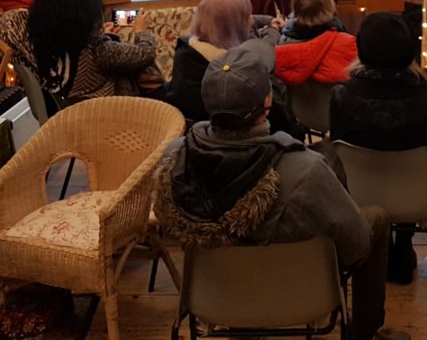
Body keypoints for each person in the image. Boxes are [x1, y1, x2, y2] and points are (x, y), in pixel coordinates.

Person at [154, 47, 407, 340]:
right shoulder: (305, 169)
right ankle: (363, 333)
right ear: (268, 100)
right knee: (375, 219)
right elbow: (355, 246)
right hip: (297, 293)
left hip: (213, 297)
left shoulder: (175, 160)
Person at [329, 11, 427, 284]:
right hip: (418, 196)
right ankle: (403, 244)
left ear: (362, 49)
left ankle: (375, 246)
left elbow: (339, 146)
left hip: (359, 193)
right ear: (409, 50)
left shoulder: (341, 95)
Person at [165, 0, 295, 133]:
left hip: (199, 137)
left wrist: (267, 22)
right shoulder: (240, 73)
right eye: (247, 17)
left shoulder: (186, 51)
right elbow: (283, 125)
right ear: (232, 28)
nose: (252, 21)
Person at [27, 0, 158, 102]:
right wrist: (140, 31)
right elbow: (145, 53)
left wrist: (106, 36)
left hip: (70, 110)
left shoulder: (44, 46)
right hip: (110, 110)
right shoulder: (98, 49)